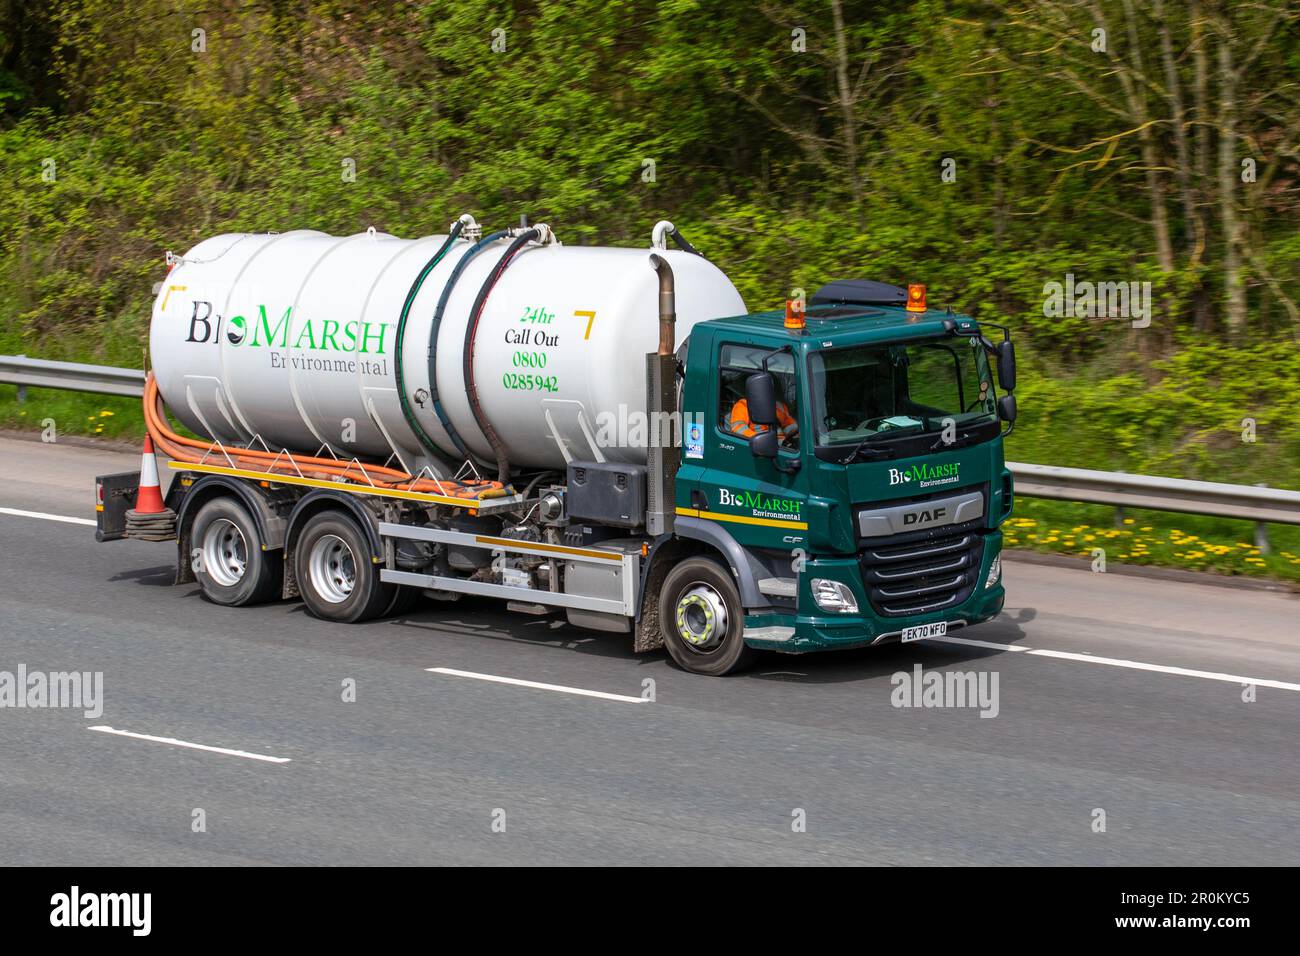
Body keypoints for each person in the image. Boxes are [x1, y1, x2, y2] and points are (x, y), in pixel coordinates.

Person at [727, 395, 799, 444]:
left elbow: (791, 426)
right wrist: (762, 440)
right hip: (761, 448)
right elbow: (738, 428)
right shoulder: (744, 404)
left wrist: (797, 434)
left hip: (783, 446)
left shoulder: (779, 405)